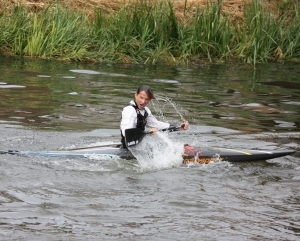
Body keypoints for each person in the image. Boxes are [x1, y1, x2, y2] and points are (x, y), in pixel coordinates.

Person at [120, 85, 189, 148]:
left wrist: (179, 127)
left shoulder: (145, 111)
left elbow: (157, 124)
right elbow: (126, 132)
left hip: (139, 147)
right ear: (135, 95)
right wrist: (148, 133)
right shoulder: (129, 110)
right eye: (141, 98)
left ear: (149, 100)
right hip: (128, 149)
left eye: (146, 99)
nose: (143, 101)